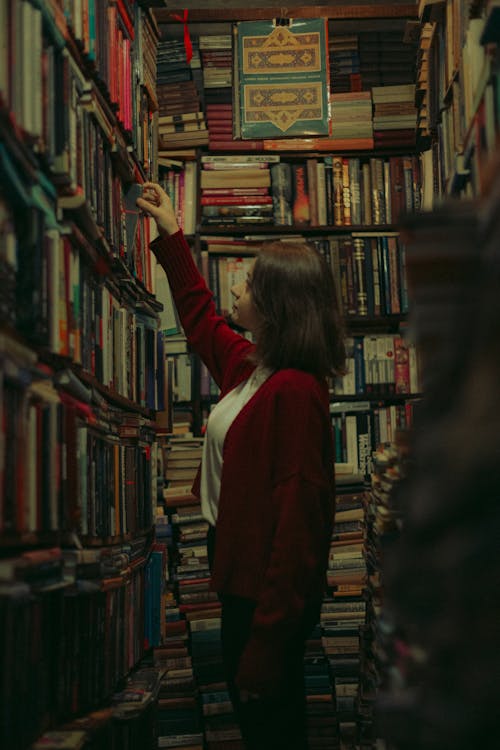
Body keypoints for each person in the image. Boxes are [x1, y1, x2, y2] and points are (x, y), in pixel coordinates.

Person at [137, 182, 346, 750]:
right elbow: (202, 321)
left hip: (263, 603)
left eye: (249, 281)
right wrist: (171, 234)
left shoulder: (295, 393)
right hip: (241, 584)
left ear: (278, 306)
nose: (236, 284)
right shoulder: (255, 370)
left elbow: (299, 530)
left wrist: (267, 645)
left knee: (270, 731)